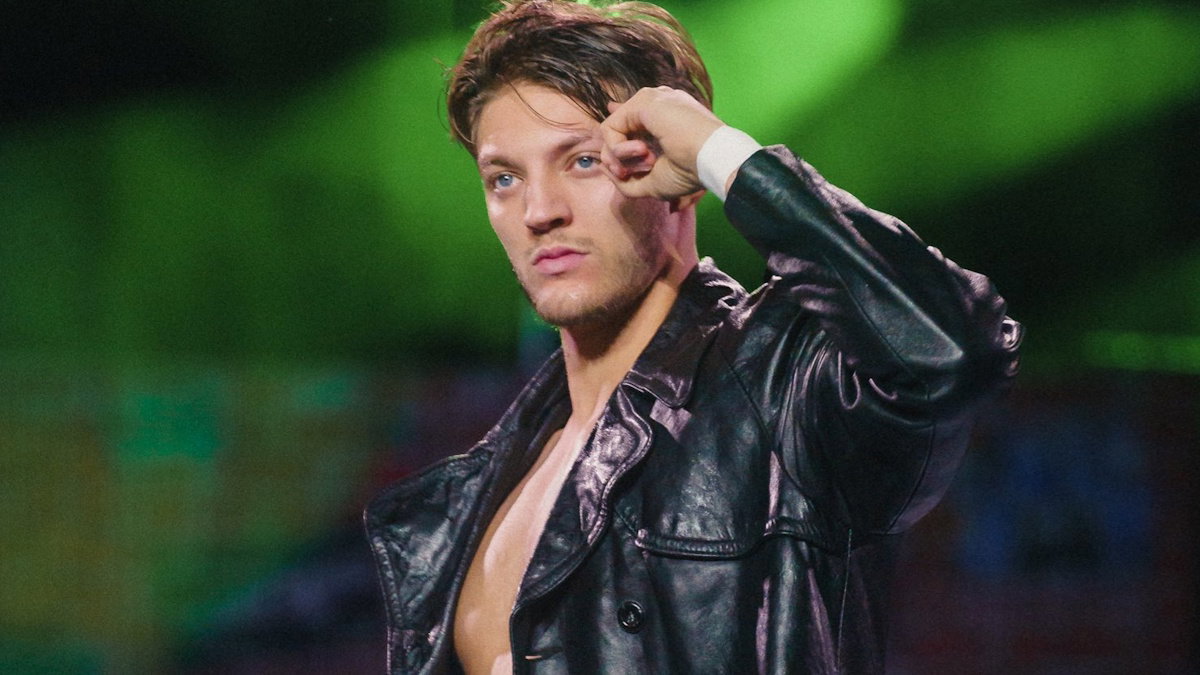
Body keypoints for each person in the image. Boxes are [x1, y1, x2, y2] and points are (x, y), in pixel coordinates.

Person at [365, 1, 1022, 672]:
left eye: (583, 161)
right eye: (505, 178)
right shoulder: (476, 499)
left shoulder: (781, 390)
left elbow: (952, 352)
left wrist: (723, 154)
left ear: (677, 178)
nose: (539, 211)